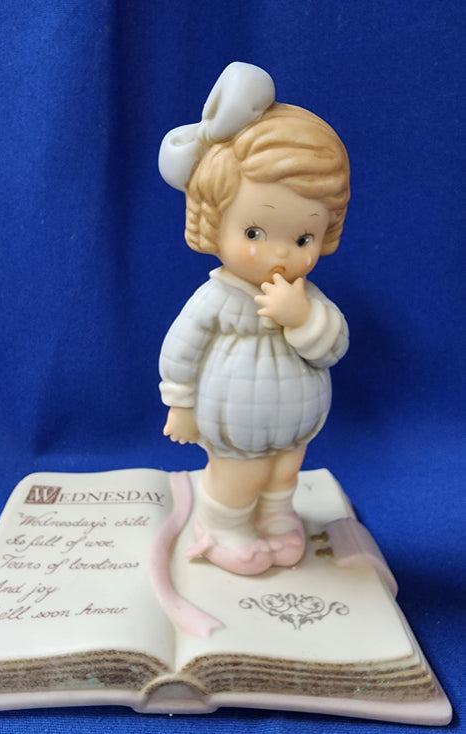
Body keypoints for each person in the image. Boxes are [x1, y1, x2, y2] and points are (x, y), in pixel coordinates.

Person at [158, 63, 350, 575]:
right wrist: (180, 404)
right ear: (213, 223)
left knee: (284, 473)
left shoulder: (304, 296)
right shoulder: (216, 299)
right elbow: (181, 349)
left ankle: (276, 518)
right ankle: (224, 526)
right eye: (255, 234)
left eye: (303, 238)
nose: (280, 253)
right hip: (234, 423)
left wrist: (302, 318)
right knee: (239, 476)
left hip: (297, 421)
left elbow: (332, 347)